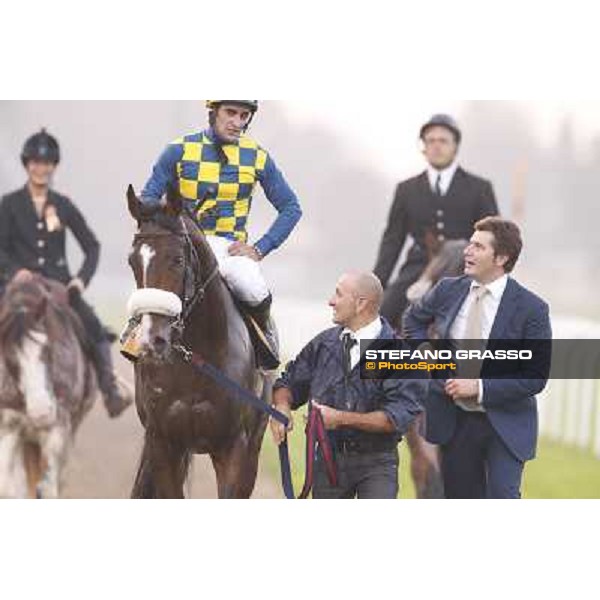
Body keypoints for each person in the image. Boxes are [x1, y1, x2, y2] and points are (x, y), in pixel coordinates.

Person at [131, 100, 302, 369]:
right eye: (230, 113)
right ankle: (136, 333)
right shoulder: (178, 150)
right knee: (158, 271)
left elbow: (291, 208)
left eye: (244, 115)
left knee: (250, 283)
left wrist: (259, 248)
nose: (237, 121)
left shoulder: (257, 156)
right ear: (213, 113)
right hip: (184, 242)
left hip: (228, 248)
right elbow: (149, 197)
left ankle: (265, 342)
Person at [403, 217, 552, 499]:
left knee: (501, 497)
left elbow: (535, 376)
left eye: (478, 247)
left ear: (502, 257)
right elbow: (413, 318)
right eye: (470, 244)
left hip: (505, 425)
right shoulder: (448, 289)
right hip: (453, 421)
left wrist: (479, 387)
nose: (467, 252)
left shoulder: (533, 309)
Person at [0, 129, 132, 418]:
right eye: (35, 162)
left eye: (47, 163)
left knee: (94, 327)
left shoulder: (64, 205)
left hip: (58, 286)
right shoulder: (8, 204)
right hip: (14, 285)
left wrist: (80, 280)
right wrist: (13, 271)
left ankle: (110, 390)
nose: (41, 167)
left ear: (54, 166)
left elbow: (92, 246)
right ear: (27, 164)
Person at [270, 272, 428, 499]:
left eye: (338, 294)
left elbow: (396, 417)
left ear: (361, 303)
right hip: (327, 461)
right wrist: (282, 406)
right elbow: (288, 382)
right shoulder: (323, 344)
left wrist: (340, 418)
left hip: (377, 466)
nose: (331, 301)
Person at [374, 114, 499, 329]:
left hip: (465, 268)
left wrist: (494, 276)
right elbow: (393, 240)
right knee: (384, 315)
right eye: (430, 141)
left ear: (455, 146)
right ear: (423, 147)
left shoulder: (479, 188)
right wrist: (376, 284)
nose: (436, 146)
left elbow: (494, 238)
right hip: (416, 269)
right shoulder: (406, 189)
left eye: (443, 141)